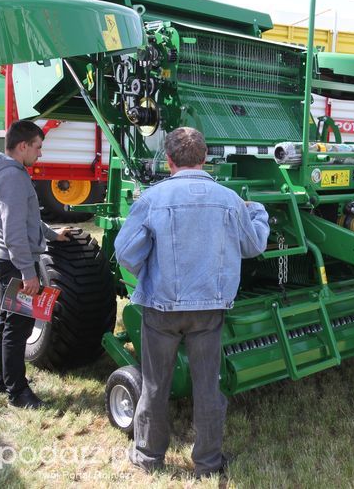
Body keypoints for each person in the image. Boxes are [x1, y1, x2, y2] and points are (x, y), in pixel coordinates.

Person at [114, 127, 269, 478]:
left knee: (155, 386)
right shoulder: (229, 200)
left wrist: (149, 272)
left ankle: (148, 455)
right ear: (205, 159)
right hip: (208, 311)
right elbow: (254, 245)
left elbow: (124, 252)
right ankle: (208, 463)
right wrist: (257, 210)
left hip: (160, 309)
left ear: (168, 161)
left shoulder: (152, 199)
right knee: (207, 386)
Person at [0, 120, 69, 409]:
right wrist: (29, 273)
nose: (39, 154)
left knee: (6, 322)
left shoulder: (6, 174)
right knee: (18, 327)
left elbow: (27, 218)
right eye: (38, 147)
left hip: (6, 260)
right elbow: (14, 231)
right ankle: (18, 392)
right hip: (16, 263)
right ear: (23, 146)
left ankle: (4, 381)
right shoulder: (13, 178)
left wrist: (53, 234)